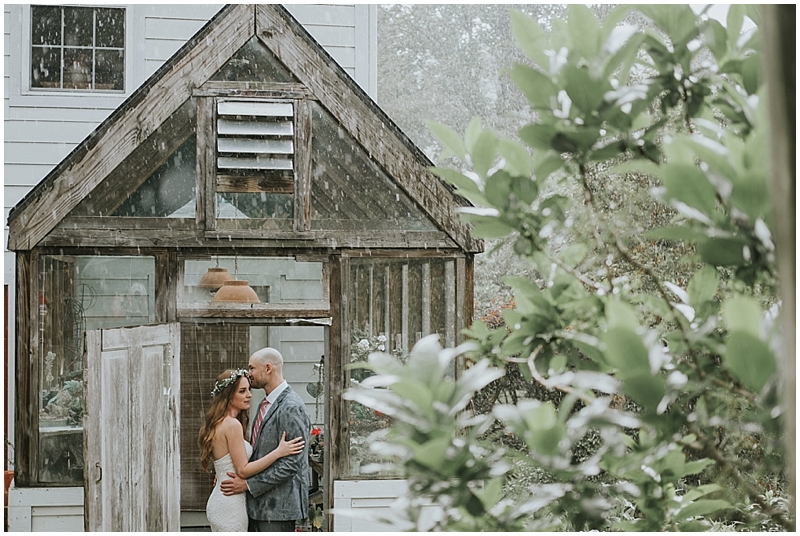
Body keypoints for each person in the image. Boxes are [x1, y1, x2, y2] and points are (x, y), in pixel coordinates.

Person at [199, 368, 305, 532]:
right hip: (230, 504)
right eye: (242, 391)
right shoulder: (232, 425)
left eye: (248, 389)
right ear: (228, 395)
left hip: (223, 499)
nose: (249, 394)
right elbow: (243, 470)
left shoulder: (220, 422)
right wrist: (278, 452)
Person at [220, 348, 311, 532]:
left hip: (278, 509)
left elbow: (291, 464)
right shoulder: (266, 403)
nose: (248, 373)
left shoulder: (291, 407)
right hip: (259, 508)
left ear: (268, 368)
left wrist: (248, 485)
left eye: (252, 368)